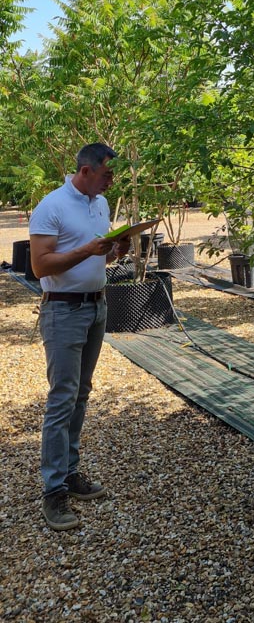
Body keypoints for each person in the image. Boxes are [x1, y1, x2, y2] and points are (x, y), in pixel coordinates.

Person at [29, 143, 131, 531]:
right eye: (107, 174)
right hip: (62, 310)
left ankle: (70, 473)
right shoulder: (51, 205)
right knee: (61, 398)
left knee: (81, 392)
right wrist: (89, 248)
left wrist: (114, 250)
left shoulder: (100, 205)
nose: (111, 180)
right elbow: (40, 265)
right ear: (86, 171)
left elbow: (100, 258)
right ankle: (53, 491)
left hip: (96, 307)